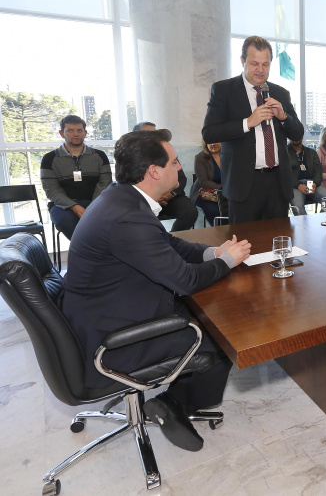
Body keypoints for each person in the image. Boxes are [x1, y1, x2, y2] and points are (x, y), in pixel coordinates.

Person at [59, 129, 251, 452]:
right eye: (174, 162)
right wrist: (227, 262)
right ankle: (174, 402)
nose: (179, 167)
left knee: (209, 314)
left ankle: (173, 400)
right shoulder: (127, 217)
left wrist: (212, 253)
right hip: (112, 339)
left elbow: (167, 243)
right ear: (154, 171)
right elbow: (186, 280)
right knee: (223, 337)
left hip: (107, 311)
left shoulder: (122, 199)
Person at [201, 35, 304, 223]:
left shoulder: (281, 93)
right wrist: (247, 122)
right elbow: (209, 133)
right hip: (244, 185)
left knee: (278, 238)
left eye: (266, 64)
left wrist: (284, 117)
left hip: (278, 184)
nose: (260, 70)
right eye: (254, 64)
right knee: (245, 240)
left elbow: (298, 133)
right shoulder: (224, 90)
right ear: (243, 61)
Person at [40, 115, 112, 240]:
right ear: (62, 133)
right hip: (63, 206)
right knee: (66, 220)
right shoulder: (49, 159)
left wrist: (93, 206)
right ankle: (87, 249)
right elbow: (52, 190)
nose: (76, 134)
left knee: (112, 218)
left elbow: (105, 184)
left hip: (96, 202)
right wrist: (74, 206)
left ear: (85, 132)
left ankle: (93, 249)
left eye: (79, 130)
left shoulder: (100, 156)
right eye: (70, 130)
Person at [134, 122, 198, 231]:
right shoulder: (132, 156)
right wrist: (153, 197)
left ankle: (173, 237)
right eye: (150, 134)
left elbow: (181, 178)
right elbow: (131, 183)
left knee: (189, 211)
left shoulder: (166, 151)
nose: (155, 137)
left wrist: (171, 194)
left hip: (169, 197)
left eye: (156, 133)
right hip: (144, 200)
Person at [287, 137, 326, 215]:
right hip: (294, 185)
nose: (296, 137)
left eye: (298, 135)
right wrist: (298, 185)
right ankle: (304, 223)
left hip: (312, 183)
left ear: (302, 136)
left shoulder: (311, 152)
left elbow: (318, 171)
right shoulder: (284, 153)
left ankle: (321, 221)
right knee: (298, 207)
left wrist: (315, 183)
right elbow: (284, 174)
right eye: (294, 135)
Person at [188, 140, 225, 226]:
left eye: (216, 141)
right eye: (210, 142)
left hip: (225, 193)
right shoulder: (200, 158)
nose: (213, 144)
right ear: (205, 144)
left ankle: (232, 230)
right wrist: (221, 187)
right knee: (214, 210)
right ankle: (219, 231)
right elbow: (204, 181)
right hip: (204, 194)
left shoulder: (228, 155)